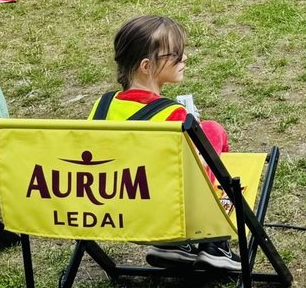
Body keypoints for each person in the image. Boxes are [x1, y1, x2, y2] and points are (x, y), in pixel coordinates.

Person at [93, 15, 237, 272]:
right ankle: (215, 243)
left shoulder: (101, 106)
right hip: (168, 215)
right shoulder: (173, 116)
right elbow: (196, 182)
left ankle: (171, 245)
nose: (184, 58)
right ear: (147, 66)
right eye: (176, 55)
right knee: (213, 132)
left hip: (113, 212)